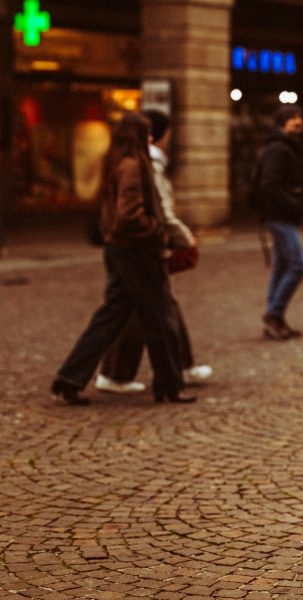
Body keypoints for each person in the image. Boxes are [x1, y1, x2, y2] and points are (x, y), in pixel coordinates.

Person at [50, 113, 194, 406]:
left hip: (118, 249)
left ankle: (69, 378)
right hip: (138, 251)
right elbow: (129, 215)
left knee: (111, 316)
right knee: (160, 317)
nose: (151, 139)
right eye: (147, 134)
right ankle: (169, 385)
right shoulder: (133, 166)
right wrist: (158, 231)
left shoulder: (115, 162)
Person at [95, 109, 212, 394]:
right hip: (138, 248)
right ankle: (119, 374)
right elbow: (155, 211)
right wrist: (176, 237)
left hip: (128, 246)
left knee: (150, 307)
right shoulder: (142, 164)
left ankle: (167, 369)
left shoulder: (122, 161)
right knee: (146, 309)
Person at [255, 104, 303, 340]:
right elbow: (269, 185)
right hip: (279, 216)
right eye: (293, 117)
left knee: (282, 267)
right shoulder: (278, 149)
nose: (299, 121)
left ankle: (274, 319)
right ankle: (273, 314)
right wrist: (294, 204)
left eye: (300, 116)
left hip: (282, 215)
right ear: (282, 122)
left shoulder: (287, 146)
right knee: (298, 266)